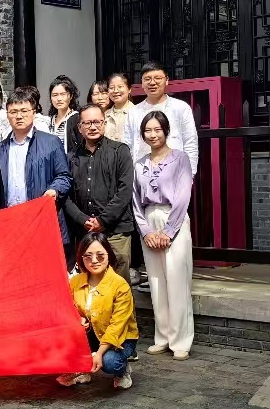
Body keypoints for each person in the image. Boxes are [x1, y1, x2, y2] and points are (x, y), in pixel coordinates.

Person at [132, 110, 194, 361]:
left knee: (177, 280)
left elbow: (183, 196)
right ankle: (163, 337)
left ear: (166, 131)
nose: (153, 134)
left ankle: (181, 340)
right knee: (157, 283)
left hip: (173, 219)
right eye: (148, 130)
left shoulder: (180, 159)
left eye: (157, 129)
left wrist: (169, 231)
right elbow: (135, 201)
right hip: (149, 219)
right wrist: (146, 231)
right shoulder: (139, 164)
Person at [0, 89, 73, 268]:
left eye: (24, 111)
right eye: (13, 112)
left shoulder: (51, 142)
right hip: (11, 223)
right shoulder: (1, 149)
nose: (19, 116)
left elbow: (64, 176)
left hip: (41, 221)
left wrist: (54, 190)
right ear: (7, 115)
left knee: (43, 268)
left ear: (34, 112)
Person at [57, 231, 138, 390]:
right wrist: (77, 319)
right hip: (90, 334)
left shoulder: (120, 285)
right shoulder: (75, 281)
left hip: (120, 338)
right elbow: (68, 307)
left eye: (100, 256)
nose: (94, 261)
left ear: (108, 255)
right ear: (81, 258)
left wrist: (99, 353)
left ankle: (122, 370)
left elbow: (117, 326)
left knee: (110, 362)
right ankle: (83, 368)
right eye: (88, 256)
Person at [64, 105, 134, 282]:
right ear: (80, 127)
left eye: (97, 122)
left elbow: (125, 190)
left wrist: (103, 220)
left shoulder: (120, 151)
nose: (93, 127)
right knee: (90, 283)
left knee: (118, 284)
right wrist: (82, 219)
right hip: (85, 231)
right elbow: (66, 194)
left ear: (104, 123)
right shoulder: (71, 157)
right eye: (87, 123)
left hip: (116, 230)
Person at [123, 62, 199, 174]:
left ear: (166, 80)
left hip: (174, 172)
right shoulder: (133, 112)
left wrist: (189, 175)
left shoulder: (181, 108)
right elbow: (127, 145)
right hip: (141, 173)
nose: (152, 82)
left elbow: (190, 143)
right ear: (142, 82)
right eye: (147, 79)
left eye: (158, 78)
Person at [47, 75, 81, 152]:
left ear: (71, 96)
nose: (59, 99)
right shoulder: (49, 121)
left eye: (63, 94)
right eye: (55, 95)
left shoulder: (77, 119)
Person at [104, 72, 135, 144]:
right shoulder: (105, 115)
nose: (115, 91)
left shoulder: (137, 113)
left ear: (129, 89)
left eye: (120, 87)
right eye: (111, 88)